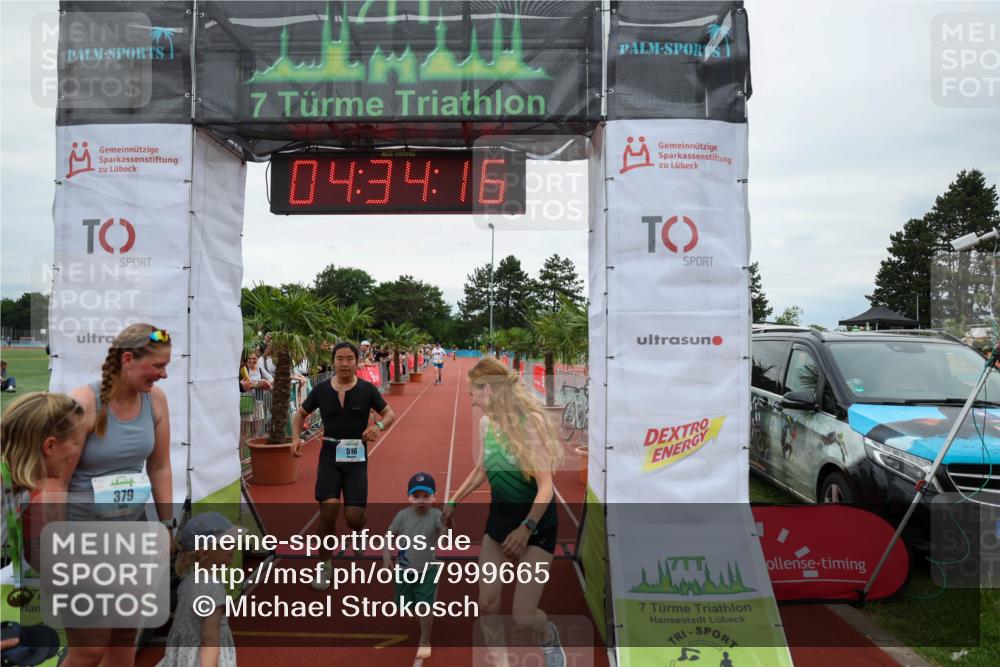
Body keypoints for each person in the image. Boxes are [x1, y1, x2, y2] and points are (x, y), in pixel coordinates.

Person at [62, 323, 174, 667]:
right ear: (128, 359)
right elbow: (56, 482)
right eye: (157, 365)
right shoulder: (84, 404)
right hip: (84, 540)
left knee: (126, 634)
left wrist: (167, 524)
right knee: (90, 649)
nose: (164, 374)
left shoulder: (154, 400)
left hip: (132, 536)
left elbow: (159, 467)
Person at [444, 357, 565, 667]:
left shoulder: (530, 424)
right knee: (487, 604)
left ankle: (547, 633)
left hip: (536, 528)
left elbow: (546, 486)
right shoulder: (486, 424)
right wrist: (453, 501)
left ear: (488, 389)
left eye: (473, 392)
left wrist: (526, 528)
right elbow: (481, 469)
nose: (471, 401)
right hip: (499, 525)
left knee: (524, 616)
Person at [290, 341, 396, 591]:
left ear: (357, 362)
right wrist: (295, 438)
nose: (345, 363)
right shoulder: (322, 389)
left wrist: (378, 427)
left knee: (353, 517)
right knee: (328, 513)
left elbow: (390, 414)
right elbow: (299, 415)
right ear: (334, 361)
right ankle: (325, 565)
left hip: (356, 458)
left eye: (350, 359)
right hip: (329, 454)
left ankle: (359, 532)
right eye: (340, 359)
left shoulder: (368, 390)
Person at [2, 393, 87, 579]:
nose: (77, 452)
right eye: (76, 443)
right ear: (49, 446)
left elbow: (43, 559)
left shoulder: (20, 488)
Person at [156, 512, 238, 667]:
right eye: (227, 543)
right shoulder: (213, 590)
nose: (233, 546)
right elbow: (210, 640)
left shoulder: (188, 581)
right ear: (204, 552)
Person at [382, 473, 443, 667]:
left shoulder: (436, 516)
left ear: (433, 497)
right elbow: (388, 535)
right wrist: (386, 557)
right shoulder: (402, 515)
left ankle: (425, 640)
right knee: (404, 604)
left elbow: (446, 532)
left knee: (425, 605)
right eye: (416, 496)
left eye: (426, 496)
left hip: (428, 569)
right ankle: (413, 608)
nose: (421, 501)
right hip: (404, 568)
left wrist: (450, 521)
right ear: (409, 497)